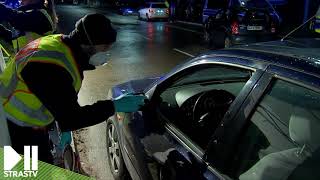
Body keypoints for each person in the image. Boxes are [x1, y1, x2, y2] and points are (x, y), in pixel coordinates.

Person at [0, 13, 146, 164]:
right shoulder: (53, 66)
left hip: (26, 123)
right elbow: (72, 118)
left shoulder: (61, 45)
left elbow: (58, 99)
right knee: (31, 171)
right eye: (105, 47)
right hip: (16, 128)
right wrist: (113, 105)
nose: (106, 53)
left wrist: (63, 123)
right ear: (89, 43)